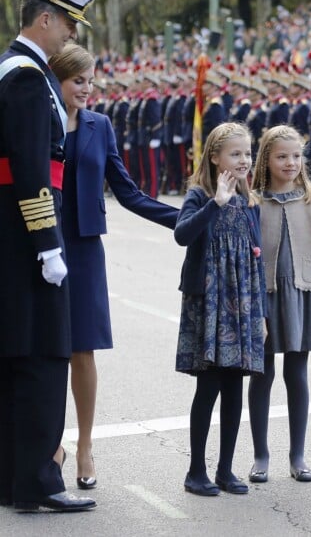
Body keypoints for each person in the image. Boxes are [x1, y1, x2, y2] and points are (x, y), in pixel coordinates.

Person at [48, 43, 179, 489]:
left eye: (90, 81)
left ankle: (84, 445)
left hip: (83, 249)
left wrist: (187, 218)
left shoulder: (100, 125)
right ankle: (51, 443)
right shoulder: (35, 117)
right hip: (38, 241)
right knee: (44, 351)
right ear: (57, 79)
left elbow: (128, 192)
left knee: (81, 350)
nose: (86, 89)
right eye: (77, 80)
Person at [0, 0, 96, 512]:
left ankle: (15, 480)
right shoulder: (30, 78)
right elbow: (34, 169)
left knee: (15, 354)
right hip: (27, 238)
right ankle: (39, 481)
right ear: (44, 20)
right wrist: (48, 245)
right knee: (41, 358)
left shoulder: (9, 70)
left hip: (9, 235)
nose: (68, 34)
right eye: (66, 23)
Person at [248, 125, 311, 483]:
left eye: (296, 156)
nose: (290, 162)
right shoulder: (254, 198)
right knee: (261, 374)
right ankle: (261, 455)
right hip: (264, 296)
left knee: (297, 374)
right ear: (267, 158)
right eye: (282, 156)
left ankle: (298, 456)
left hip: (302, 292)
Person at [174, 122, 266, 497]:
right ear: (214, 157)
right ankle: (196, 470)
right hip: (209, 303)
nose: (243, 160)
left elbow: (256, 259)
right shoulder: (200, 195)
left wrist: (259, 313)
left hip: (241, 305)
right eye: (235, 154)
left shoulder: (250, 203)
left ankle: (226, 469)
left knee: (234, 388)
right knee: (208, 386)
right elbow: (182, 235)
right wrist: (216, 204)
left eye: (247, 153)